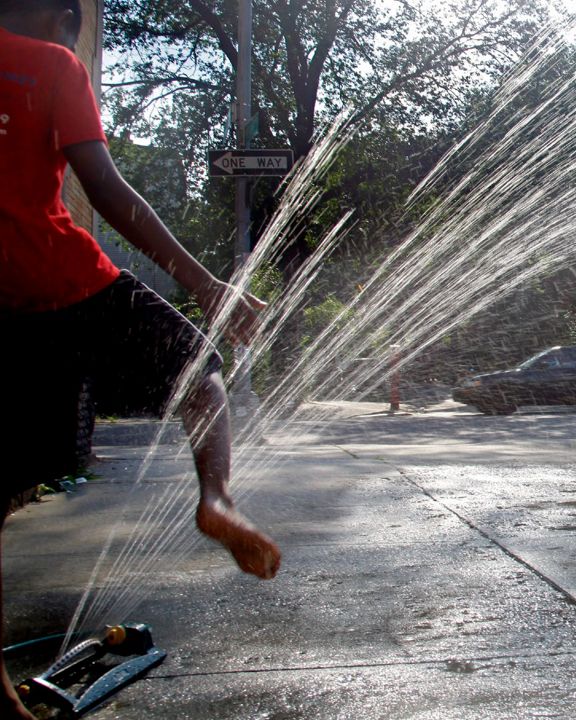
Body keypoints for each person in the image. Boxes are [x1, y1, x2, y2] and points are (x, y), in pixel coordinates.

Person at [1, 2, 281, 715]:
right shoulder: (49, 64)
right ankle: (216, 499)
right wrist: (205, 283)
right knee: (199, 374)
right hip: (66, 280)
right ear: (62, 17)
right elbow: (104, 189)